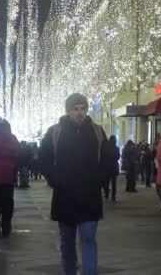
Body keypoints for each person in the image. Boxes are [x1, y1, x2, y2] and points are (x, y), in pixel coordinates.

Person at [40, 93, 112, 275]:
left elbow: (108, 159)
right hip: (65, 197)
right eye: (75, 109)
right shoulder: (55, 132)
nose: (79, 113)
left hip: (89, 196)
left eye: (82, 109)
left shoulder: (96, 131)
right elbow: (44, 159)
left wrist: (99, 180)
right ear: (68, 111)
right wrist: (55, 179)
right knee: (67, 243)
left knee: (88, 240)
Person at [103, 135, 120, 201]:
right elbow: (118, 157)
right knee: (114, 183)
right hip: (114, 166)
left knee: (106, 181)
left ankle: (106, 194)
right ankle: (113, 196)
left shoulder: (106, 148)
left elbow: (103, 157)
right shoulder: (117, 148)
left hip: (107, 167)